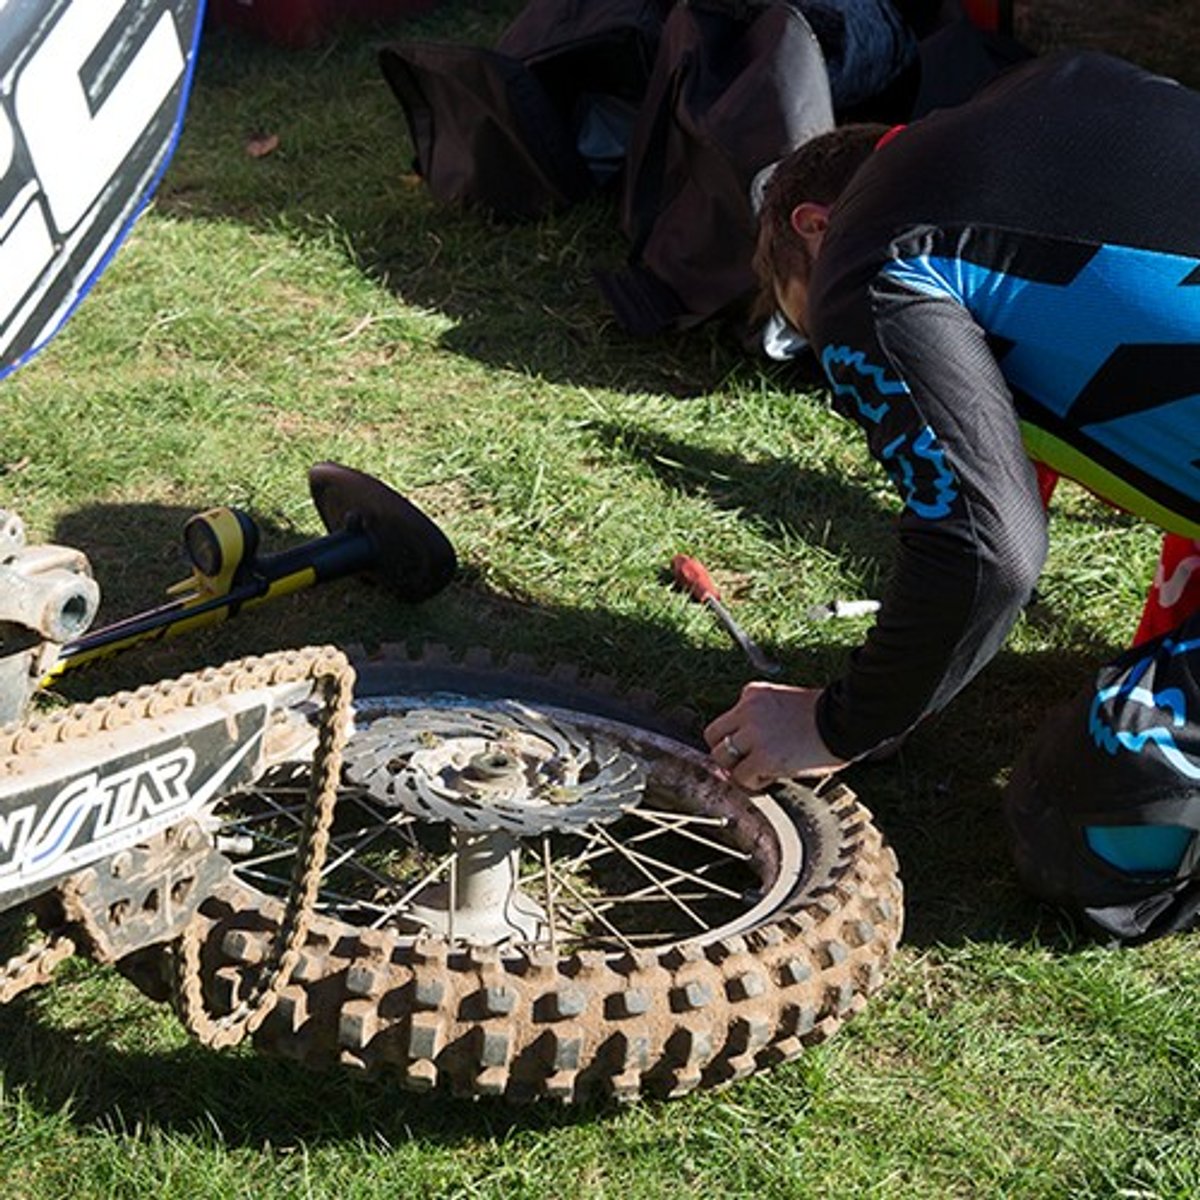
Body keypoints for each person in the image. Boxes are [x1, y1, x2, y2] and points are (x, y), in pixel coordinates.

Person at [702, 49, 1200, 942]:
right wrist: (917, 672)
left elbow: (985, 544)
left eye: (811, 329)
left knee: (1094, 818)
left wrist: (838, 723)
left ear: (813, 226)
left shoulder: (866, 252)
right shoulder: (1053, 88)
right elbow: (1014, 445)